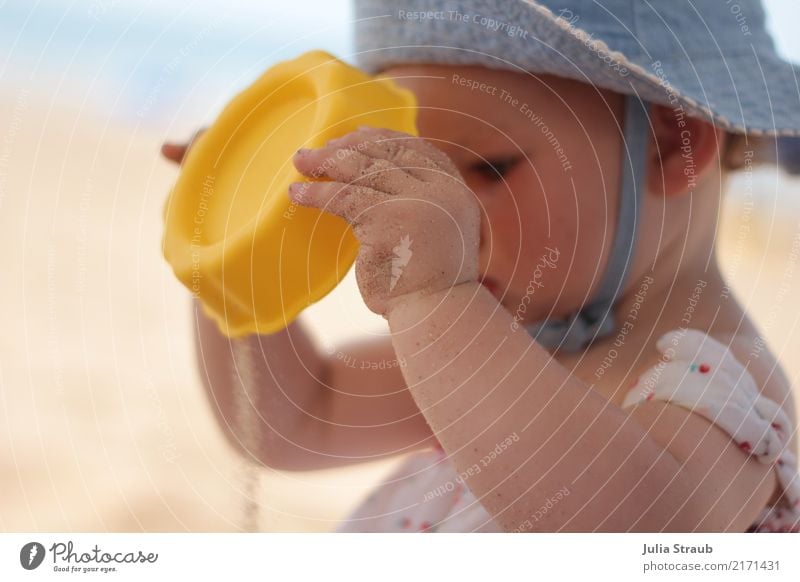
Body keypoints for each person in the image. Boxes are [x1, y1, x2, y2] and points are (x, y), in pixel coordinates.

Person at [161, 0, 800, 532]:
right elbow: (293, 420)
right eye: (415, 175)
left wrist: (435, 300)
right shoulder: (512, 346)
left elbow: (629, 528)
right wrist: (229, 264)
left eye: (487, 167)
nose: (442, 213)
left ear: (668, 145)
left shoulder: (721, 389)